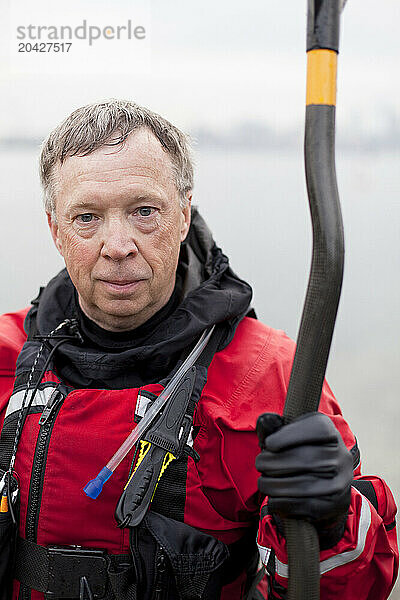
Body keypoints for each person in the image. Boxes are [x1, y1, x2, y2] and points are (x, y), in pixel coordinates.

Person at [0, 99, 397, 600]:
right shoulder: (7, 358)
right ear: (56, 230)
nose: (118, 244)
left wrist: (333, 519)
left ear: (184, 215)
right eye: (87, 218)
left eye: (144, 212)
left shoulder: (270, 377)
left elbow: (357, 585)